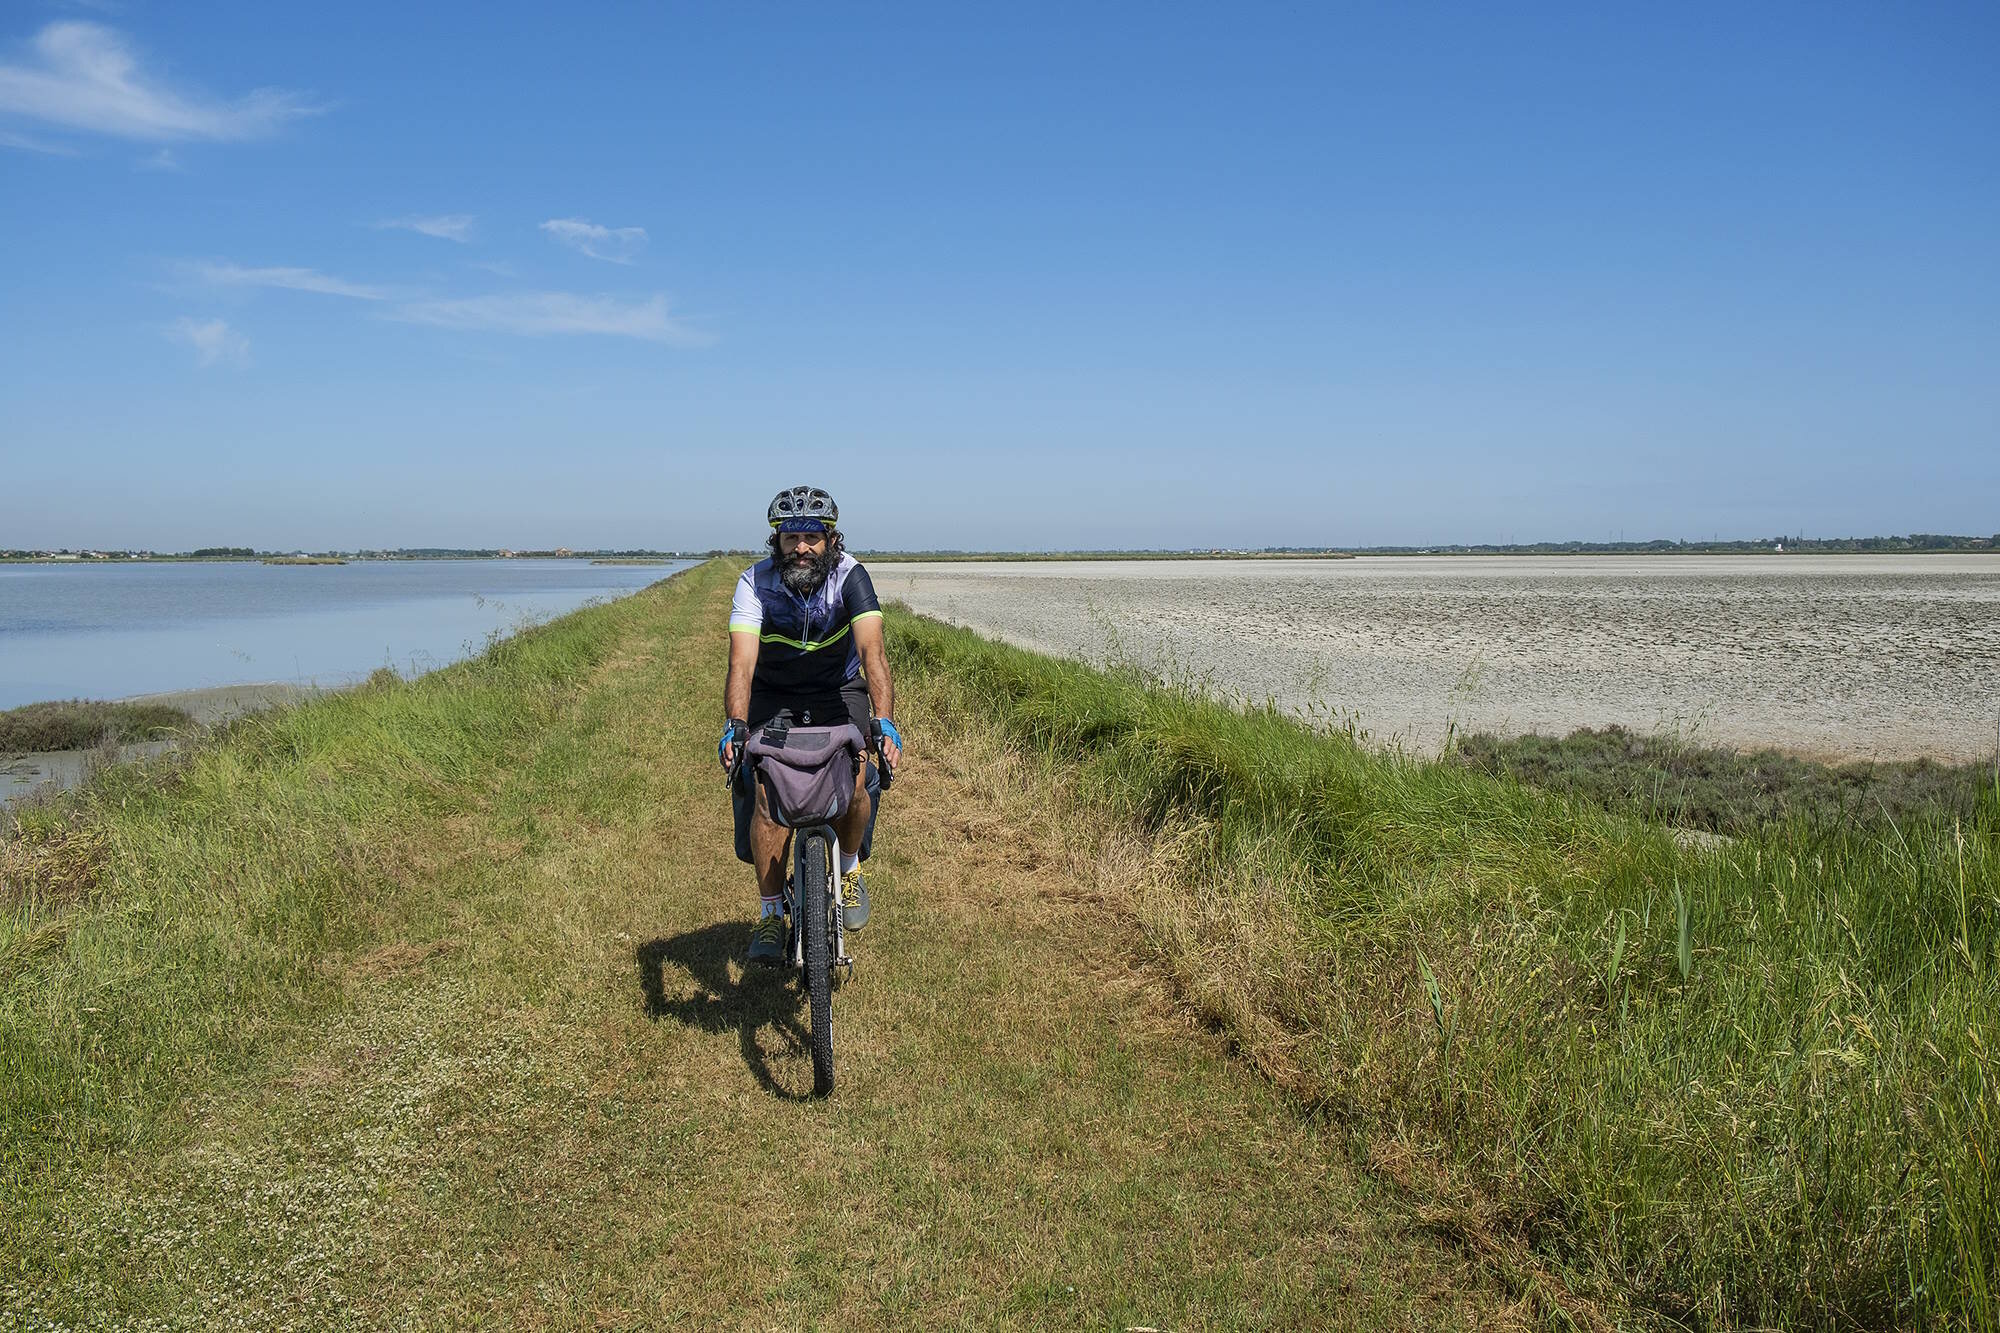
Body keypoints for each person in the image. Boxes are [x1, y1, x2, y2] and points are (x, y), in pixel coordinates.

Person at [719, 485, 903, 965]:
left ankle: (849, 869)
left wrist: (884, 723)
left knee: (862, 771)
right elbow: (741, 665)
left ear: (831, 539)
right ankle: (769, 912)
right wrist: (735, 726)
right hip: (773, 694)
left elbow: (872, 654)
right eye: (790, 537)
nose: (801, 547)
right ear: (776, 542)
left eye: (813, 536)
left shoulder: (851, 578)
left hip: (836, 692)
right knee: (763, 786)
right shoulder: (754, 583)